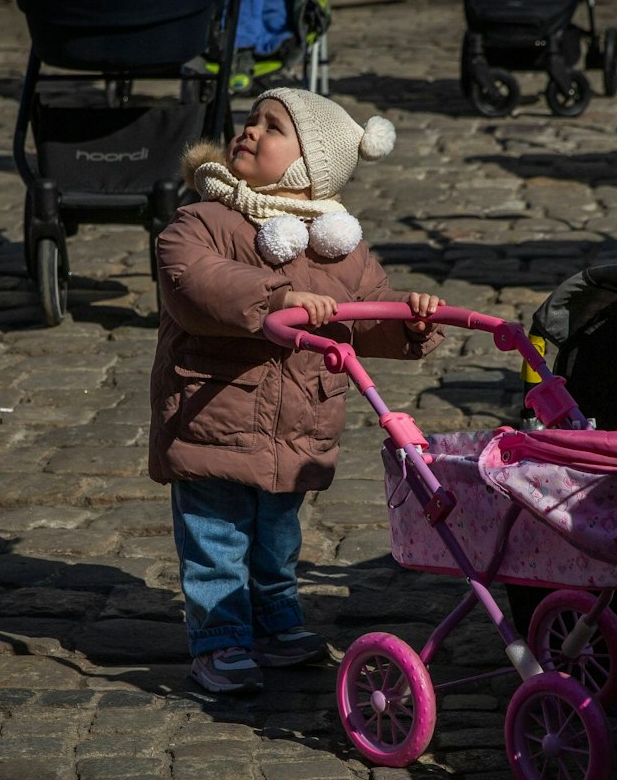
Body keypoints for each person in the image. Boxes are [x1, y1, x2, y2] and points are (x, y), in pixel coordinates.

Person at [150, 88, 446, 694]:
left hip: (298, 423)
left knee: (278, 536)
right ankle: (221, 638)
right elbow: (194, 283)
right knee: (217, 539)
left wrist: (410, 323)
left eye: (272, 126)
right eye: (251, 120)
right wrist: (274, 298)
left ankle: (275, 621)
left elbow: (366, 319)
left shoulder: (341, 247)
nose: (250, 131)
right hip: (215, 414)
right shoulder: (204, 221)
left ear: (310, 167)